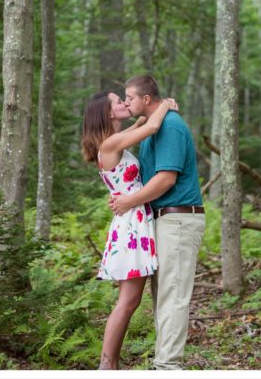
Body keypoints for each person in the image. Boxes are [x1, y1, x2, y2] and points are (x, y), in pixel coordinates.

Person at [109, 74, 205, 371]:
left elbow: (166, 178)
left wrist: (130, 201)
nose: (127, 102)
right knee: (163, 296)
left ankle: (168, 367)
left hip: (178, 219)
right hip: (161, 221)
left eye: (130, 98)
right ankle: (164, 363)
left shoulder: (171, 127)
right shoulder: (154, 127)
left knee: (173, 296)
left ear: (146, 100)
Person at [81, 90, 179, 370]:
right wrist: (166, 104)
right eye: (118, 101)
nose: (124, 103)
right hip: (131, 225)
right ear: (107, 112)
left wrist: (147, 116)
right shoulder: (111, 144)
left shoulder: (113, 141)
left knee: (130, 301)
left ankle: (108, 364)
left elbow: (140, 127)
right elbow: (151, 127)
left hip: (134, 220)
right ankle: (106, 366)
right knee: (127, 302)